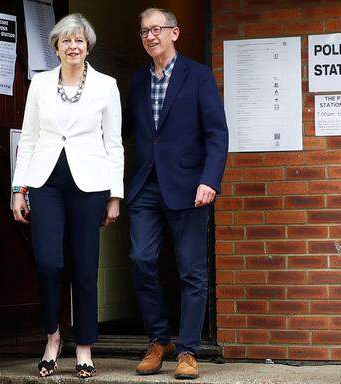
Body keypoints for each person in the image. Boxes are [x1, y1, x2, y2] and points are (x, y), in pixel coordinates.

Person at [10, 13, 123, 379]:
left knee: (85, 265)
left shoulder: (106, 85)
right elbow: (28, 140)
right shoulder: (40, 85)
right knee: (47, 261)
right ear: (56, 47)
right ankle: (53, 337)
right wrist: (18, 188)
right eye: (66, 41)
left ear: (87, 46)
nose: (73, 46)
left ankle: (85, 347)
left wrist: (115, 195)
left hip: (89, 184)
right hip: (46, 182)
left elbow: (114, 143)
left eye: (79, 40)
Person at [125, 7, 228, 380]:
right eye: (144, 31)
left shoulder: (198, 76)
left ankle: (187, 350)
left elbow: (217, 133)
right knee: (140, 259)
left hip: (189, 187)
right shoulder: (136, 82)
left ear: (175, 33)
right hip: (145, 186)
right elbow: (118, 131)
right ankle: (158, 340)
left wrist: (210, 180)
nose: (150, 36)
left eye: (156, 29)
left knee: (191, 271)